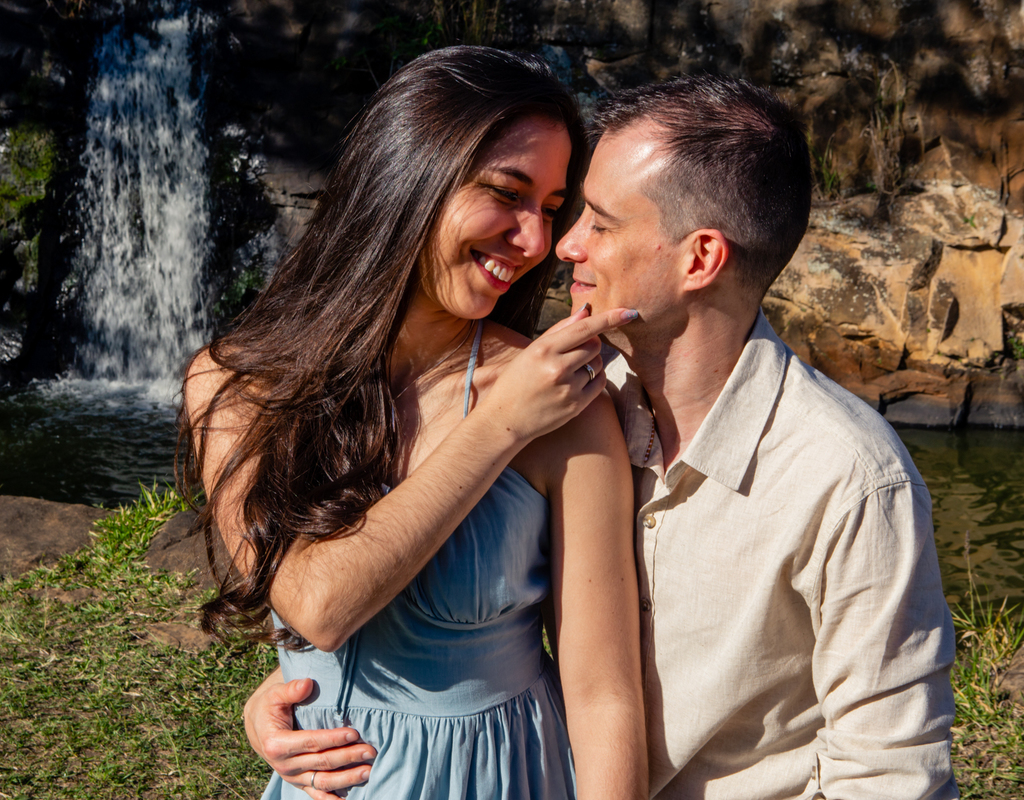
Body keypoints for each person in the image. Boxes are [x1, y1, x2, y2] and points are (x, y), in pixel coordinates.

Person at [244, 74, 959, 799]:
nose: (561, 245)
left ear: (700, 258)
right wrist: (311, 685)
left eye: (598, 221)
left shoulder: (848, 480)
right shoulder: (577, 396)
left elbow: (893, 777)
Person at [179, 47, 647, 799]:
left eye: (552, 209)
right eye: (507, 192)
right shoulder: (231, 386)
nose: (536, 243)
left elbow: (603, 694)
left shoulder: (561, 403)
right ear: (408, 176)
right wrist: (498, 426)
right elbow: (318, 606)